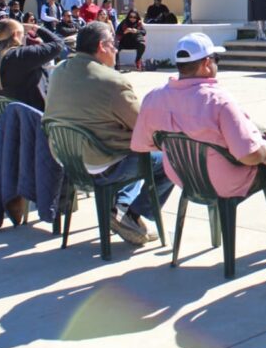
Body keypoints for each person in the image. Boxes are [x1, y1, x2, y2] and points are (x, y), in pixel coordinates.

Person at [130, 32, 266, 244]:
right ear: (206, 64)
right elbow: (249, 156)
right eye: (216, 60)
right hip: (227, 182)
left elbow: (142, 143)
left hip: (185, 179)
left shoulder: (154, 98)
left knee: (265, 135)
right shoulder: (219, 101)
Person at [46, 23, 175, 246]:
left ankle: (120, 208)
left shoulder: (59, 72)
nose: (116, 49)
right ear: (101, 46)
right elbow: (143, 126)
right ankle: (133, 214)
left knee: (134, 150)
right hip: (102, 164)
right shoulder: (112, 81)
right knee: (170, 158)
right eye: (113, 45)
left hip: (66, 160)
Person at [0, 19, 65, 111]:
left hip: (6, 118)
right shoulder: (22, 55)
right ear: (15, 35)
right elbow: (58, 44)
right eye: (23, 34)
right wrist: (35, 28)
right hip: (30, 117)